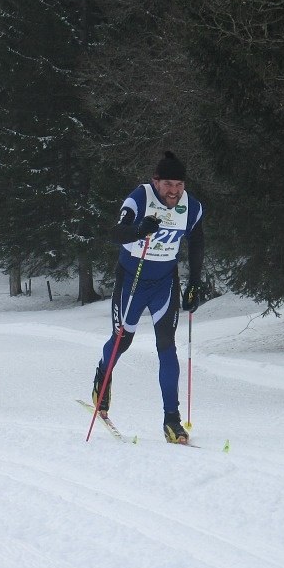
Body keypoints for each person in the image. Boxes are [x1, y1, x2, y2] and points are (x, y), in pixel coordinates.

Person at [92, 151, 204, 444]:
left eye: (179, 185)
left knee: (167, 347)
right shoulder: (140, 198)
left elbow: (197, 243)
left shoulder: (191, 207)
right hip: (132, 280)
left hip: (164, 284)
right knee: (122, 340)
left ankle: (172, 420)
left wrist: (195, 282)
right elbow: (116, 233)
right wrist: (138, 230)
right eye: (168, 184)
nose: (174, 191)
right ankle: (103, 375)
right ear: (156, 181)